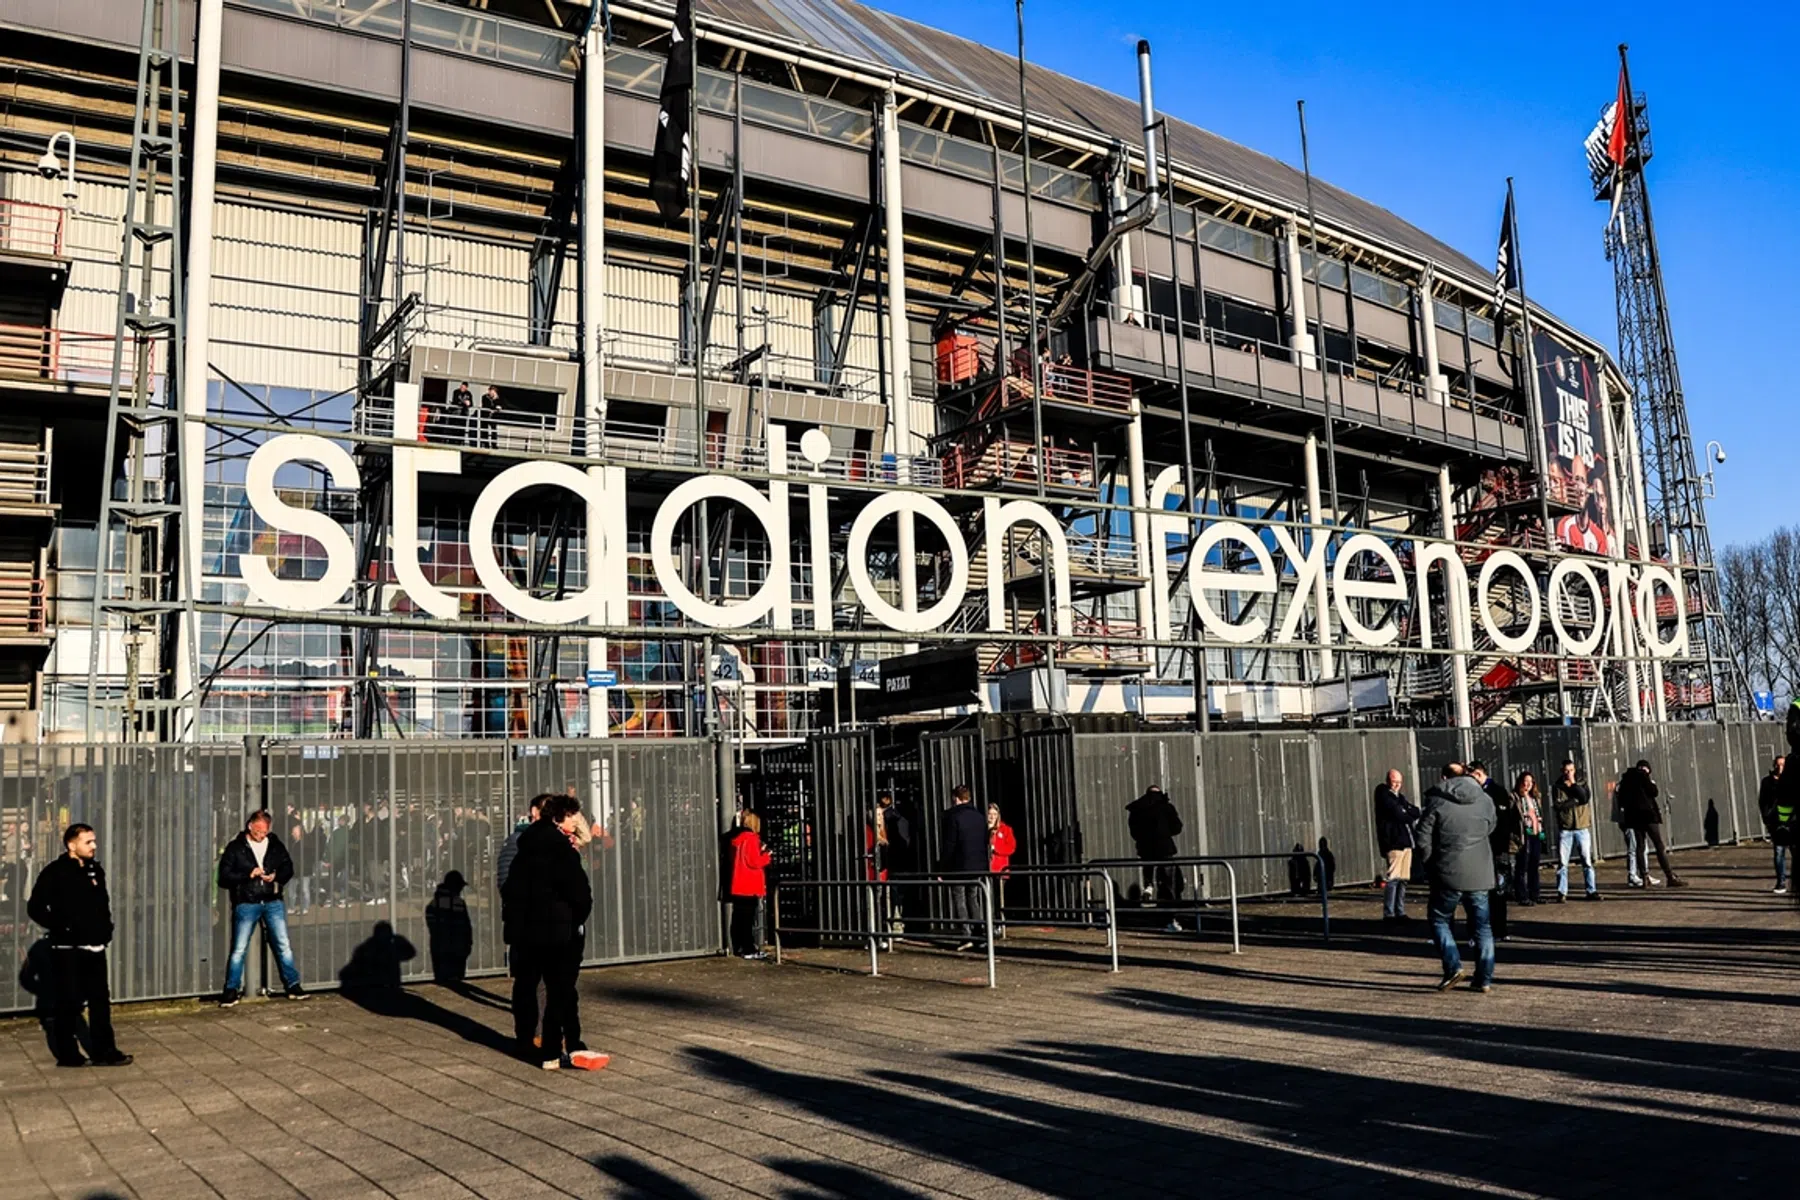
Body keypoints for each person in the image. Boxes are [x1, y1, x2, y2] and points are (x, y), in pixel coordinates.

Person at [501, 793, 594, 1069]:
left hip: (529, 931)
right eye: (571, 816)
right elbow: (580, 894)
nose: (575, 821)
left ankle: (535, 1042)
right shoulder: (561, 850)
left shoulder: (525, 847)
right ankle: (557, 1048)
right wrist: (574, 919)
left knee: (532, 986)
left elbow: (510, 889)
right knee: (561, 989)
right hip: (559, 930)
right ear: (558, 818)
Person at [28, 824, 132, 1067]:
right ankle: (68, 1055)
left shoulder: (95, 870)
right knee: (69, 1001)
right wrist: (61, 927)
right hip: (68, 949)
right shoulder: (56, 872)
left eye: (94, 841)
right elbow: (35, 907)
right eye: (88, 842)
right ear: (71, 845)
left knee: (100, 1001)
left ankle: (105, 1051)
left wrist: (106, 929)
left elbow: (101, 905)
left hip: (95, 947)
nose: (94, 846)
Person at [1415, 764, 1498, 993]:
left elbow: (1422, 836)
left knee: (1439, 918)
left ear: (1445, 777)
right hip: (1480, 871)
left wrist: (1431, 861)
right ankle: (1484, 978)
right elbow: (1491, 826)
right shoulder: (1484, 799)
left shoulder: (1437, 799)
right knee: (1482, 927)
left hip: (1447, 871)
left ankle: (1453, 966)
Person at [217, 810, 308, 1006]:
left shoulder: (274, 844)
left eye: (264, 832)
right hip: (247, 901)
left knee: (283, 944)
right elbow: (224, 876)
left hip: (271, 899)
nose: (261, 836)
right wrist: (248, 874)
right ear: (250, 826)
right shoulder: (236, 847)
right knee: (239, 948)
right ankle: (231, 989)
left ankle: (293, 985)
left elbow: (288, 867)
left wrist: (276, 876)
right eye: (258, 831)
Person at [1617, 760, 1687, 887]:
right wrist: (1648, 779)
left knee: (1640, 846)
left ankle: (1644, 876)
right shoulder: (1643, 777)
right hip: (1648, 816)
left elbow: (1621, 799)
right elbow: (1654, 792)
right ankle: (1669, 875)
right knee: (1659, 845)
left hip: (1633, 817)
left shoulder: (1626, 780)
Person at [938, 784, 989, 951]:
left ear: (955, 798)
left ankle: (966, 935)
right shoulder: (980, 817)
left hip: (958, 866)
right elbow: (985, 842)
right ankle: (980, 934)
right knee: (973, 898)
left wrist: (942, 869)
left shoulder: (952, 817)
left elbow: (949, 845)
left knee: (959, 899)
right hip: (977, 866)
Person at [1469, 762, 1513, 941]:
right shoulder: (1476, 792)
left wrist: (1500, 847)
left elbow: (1503, 822)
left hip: (1493, 849)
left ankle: (1499, 928)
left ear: (1479, 774)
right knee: (1480, 892)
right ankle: (1482, 929)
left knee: (1497, 890)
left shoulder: (1497, 792)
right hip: (1480, 849)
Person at [1551, 761, 1602, 902]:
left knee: (1587, 861)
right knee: (1563, 863)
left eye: (1571, 770)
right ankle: (1562, 892)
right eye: (1566, 771)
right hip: (1566, 828)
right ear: (1562, 771)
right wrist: (1574, 801)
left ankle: (1591, 891)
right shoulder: (1557, 786)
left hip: (1582, 827)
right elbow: (1558, 806)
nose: (1569, 773)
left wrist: (1573, 785)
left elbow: (1584, 798)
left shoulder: (1582, 783)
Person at [1126, 783, 1183, 907]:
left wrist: (1142, 839)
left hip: (1145, 847)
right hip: (1164, 846)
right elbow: (1177, 827)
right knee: (1168, 877)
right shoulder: (1166, 807)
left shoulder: (1137, 808)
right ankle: (1167, 901)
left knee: (1148, 869)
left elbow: (1133, 830)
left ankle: (1148, 886)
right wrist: (1165, 832)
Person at [1374, 769, 1420, 922]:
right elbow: (1399, 813)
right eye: (1394, 782)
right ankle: (1389, 913)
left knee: (1403, 879)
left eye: (1399, 782)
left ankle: (1399, 911)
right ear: (1388, 780)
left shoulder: (1399, 798)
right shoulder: (1384, 796)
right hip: (1394, 842)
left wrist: (1405, 811)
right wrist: (1406, 811)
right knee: (1393, 878)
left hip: (1406, 842)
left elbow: (1414, 811)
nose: (1397, 785)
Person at [726, 811, 772, 959]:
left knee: (739, 918)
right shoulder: (752, 839)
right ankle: (748, 949)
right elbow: (754, 862)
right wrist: (766, 856)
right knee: (748, 920)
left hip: (738, 884)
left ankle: (739, 947)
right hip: (749, 885)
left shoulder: (737, 840)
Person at [424, 870, 473, 985]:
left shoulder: (433, 904)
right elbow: (466, 926)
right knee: (456, 982)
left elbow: (432, 927)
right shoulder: (458, 903)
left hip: (439, 949)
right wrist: (468, 943)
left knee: (444, 981)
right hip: (457, 950)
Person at [496, 795, 543, 893]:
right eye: (549, 809)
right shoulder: (517, 839)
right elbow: (505, 876)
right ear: (535, 812)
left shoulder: (555, 840)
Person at [1758, 755, 1791, 894]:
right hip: (1776, 822)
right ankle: (1781, 881)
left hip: (1792, 821)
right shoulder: (1767, 782)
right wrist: (1767, 819)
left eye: (1783, 764)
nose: (1780, 767)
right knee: (1779, 851)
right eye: (1778, 764)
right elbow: (1762, 802)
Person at [1511, 771, 1545, 906]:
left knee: (1534, 864)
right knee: (1522, 865)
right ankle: (1522, 895)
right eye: (1526, 781)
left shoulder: (1535, 798)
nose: (1528, 784)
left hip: (1536, 833)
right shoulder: (1515, 797)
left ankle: (1535, 894)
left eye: (1531, 782)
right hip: (1523, 835)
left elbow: (1539, 816)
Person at [987, 802, 1017, 934]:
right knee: (988, 898)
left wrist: (996, 849)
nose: (992, 817)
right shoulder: (983, 829)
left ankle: (999, 924)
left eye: (994, 814)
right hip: (986, 868)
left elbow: (1011, 847)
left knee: (998, 898)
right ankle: (989, 923)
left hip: (1000, 869)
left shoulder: (1005, 829)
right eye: (990, 814)